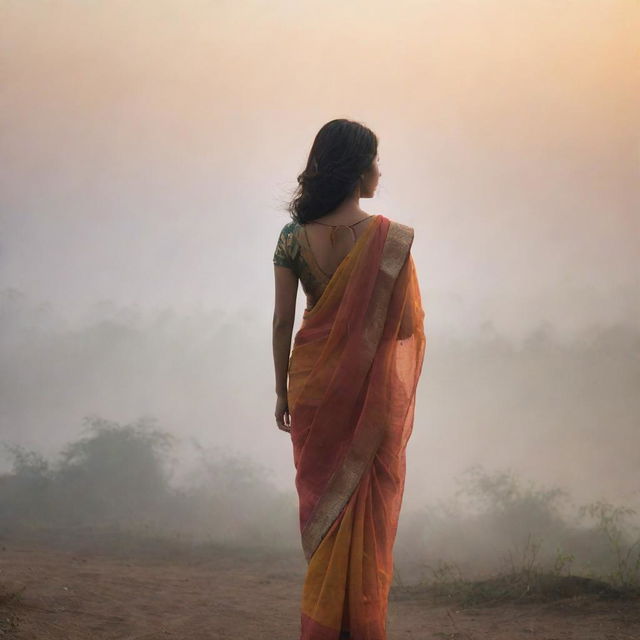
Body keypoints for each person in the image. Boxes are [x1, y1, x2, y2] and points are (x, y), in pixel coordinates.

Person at [272, 118, 426, 640]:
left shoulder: (293, 237)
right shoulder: (390, 241)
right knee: (361, 507)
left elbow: (281, 321)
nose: (379, 172)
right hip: (366, 396)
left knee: (323, 506)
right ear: (359, 169)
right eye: (375, 162)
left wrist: (280, 392)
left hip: (311, 388)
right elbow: (403, 326)